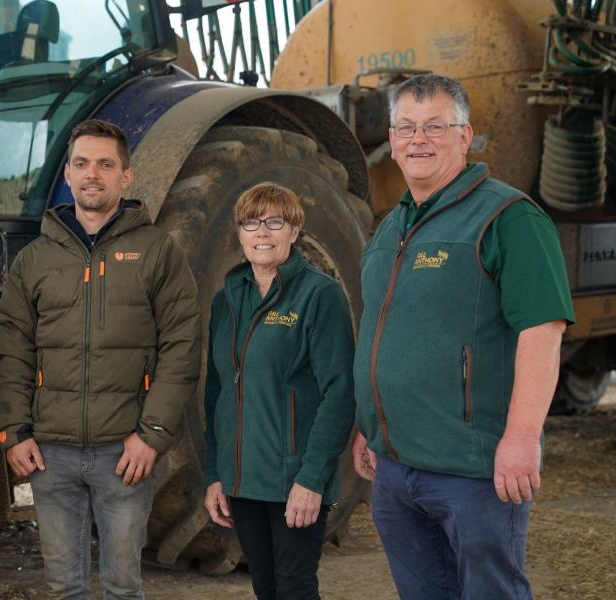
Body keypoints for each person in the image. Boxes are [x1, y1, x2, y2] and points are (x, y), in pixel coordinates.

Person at [352, 73, 575, 600]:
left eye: (434, 126)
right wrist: (369, 425)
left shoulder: (508, 217)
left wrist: (521, 438)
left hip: (474, 472)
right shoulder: (390, 229)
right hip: (395, 469)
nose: (417, 140)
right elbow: (380, 334)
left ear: (464, 135)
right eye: (405, 127)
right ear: (391, 138)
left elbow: (542, 332)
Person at [0, 119, 201, 599]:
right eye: (82, 163)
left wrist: (152, 436)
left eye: (106, 165)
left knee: (123, 587)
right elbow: (12, 350)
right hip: (51, 453)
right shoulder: (35, 260)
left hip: (124, 453)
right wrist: (14, 432)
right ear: (67, 174)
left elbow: (182, 347)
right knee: (64, 588)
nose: (93, 174)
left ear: (126, 177)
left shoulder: (158, 251)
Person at [202, 182, 356, 600]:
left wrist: (312, 480)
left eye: (275, 222)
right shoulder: (227, 300)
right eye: (251, 222)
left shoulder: (319, 295)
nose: (262, 233)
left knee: (295, 588)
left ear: (294, 230)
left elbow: (340, 393)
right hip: (242, 480)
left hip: (295, 479)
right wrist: (216, 474)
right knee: (265, 588)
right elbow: (217, 392)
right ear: (239, 232)